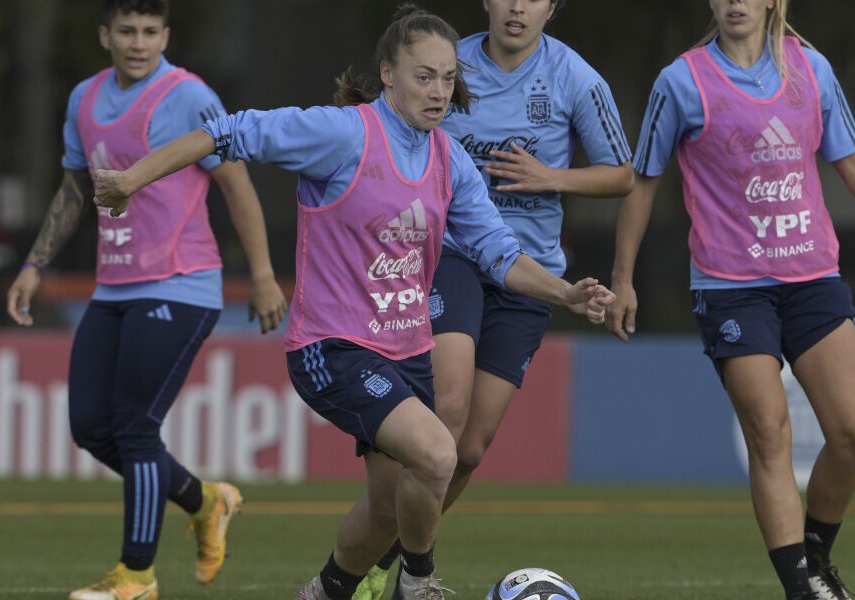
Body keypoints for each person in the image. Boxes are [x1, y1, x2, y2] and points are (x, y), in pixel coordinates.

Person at [90, 5, 615, 600]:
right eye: (424, 76)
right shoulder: (341, 133)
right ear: (388, 73)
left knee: (391, 508)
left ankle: (325, 591)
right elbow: (226, 131)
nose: (439, 91)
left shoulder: (450, 161)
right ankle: (418, 582)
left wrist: (567, 292)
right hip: (333, 346)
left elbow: (499, 252)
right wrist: (132, 179)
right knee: (440, 452)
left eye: (448, 78)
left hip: (407, 349)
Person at [607, 0, 855, 599]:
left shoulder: (811, 69)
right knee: (769, 432)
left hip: (813, 280)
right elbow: (643, 181)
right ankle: (799, 588)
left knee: (854, 433)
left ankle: (815, 555)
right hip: (732, 289)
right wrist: (624, 277)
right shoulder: (681, 81)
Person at [5, 1, 286, 598]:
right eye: (127, 31)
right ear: (105, 35)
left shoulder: (189, 97)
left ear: (166, 35)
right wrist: (34, 264)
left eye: (151, 31)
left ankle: (136, 575)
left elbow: (237, 185)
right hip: (114, 286)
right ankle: (206, 500)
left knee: (134, 428)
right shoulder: (84, 98)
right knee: (89, 428)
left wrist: (263, 275)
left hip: (182, 284)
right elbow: (75, 190)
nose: (139, 43)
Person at [354, 1, 635, 597]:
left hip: (527, 272)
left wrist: (550, 177)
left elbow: (623, 174)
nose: (516, 6)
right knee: (447, 406)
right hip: (450, 254)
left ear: (551, 6)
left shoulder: (575, 78)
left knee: (472, 447)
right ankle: (397, 566)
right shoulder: (450, 67)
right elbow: (401, 129)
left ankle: (395, 556)